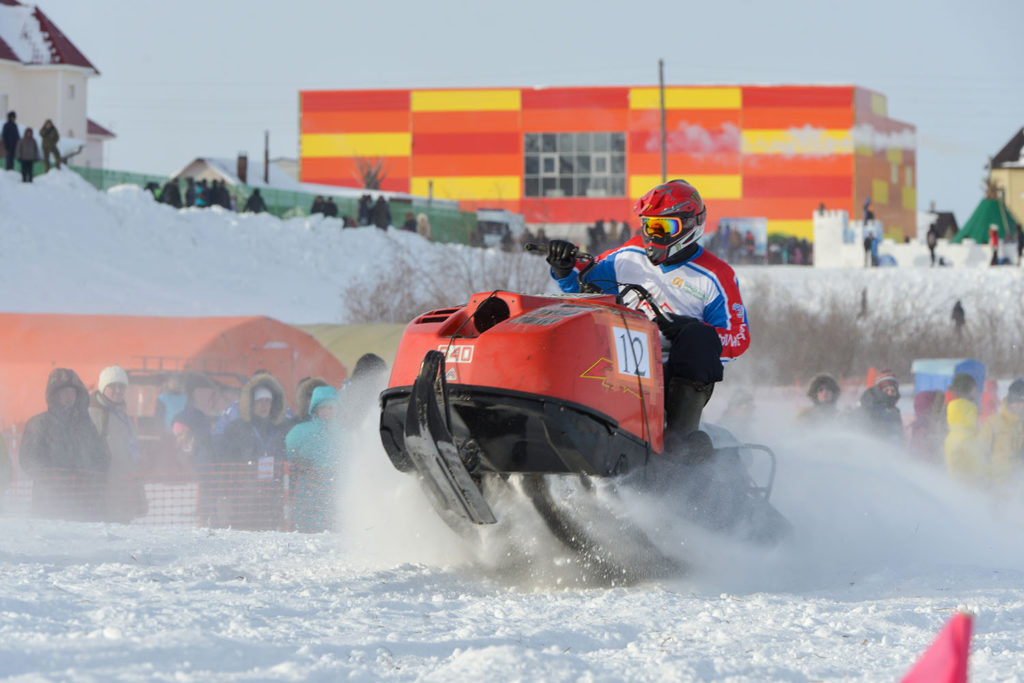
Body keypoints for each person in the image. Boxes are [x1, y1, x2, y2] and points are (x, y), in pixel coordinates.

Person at [545, 178, 749, 446]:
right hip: (618, 360)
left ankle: (678, 444)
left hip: (676, 372)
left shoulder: (716, 275)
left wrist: (689, 329)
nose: (654, 235)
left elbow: (738, 338)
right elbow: (582, 287)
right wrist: (563, 268)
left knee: (698, 338)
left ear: (690, 224)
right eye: (648, 225)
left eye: (663, 226)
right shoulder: (628, 255)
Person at [18, 368, 109, 520]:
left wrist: (93, 478)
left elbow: (101, 457)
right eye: (64, 392)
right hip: (49, 504)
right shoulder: (38, 424)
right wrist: (55, 478)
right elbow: (28, 461)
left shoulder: (86, 426)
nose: (68, 397)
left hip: (84, 504)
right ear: (54, 395)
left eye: (72, 392)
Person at [217, 373, 288, 528]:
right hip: (244, 495)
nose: (264, 405)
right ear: (251, 403)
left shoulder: (281, 428)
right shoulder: (237, 428)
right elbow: (227, 463)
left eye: (267, 401)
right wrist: (225, 495)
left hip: (273, 494)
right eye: (259, 401)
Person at [88, 365, 147, 523]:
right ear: (103, 388)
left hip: (124, 485)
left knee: (123, 533)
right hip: (103, 484)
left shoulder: (125, 417)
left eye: (121, 387)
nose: (117, 391)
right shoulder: (93, 413)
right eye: (112, 386)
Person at [285, 385, 343, 532]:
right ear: (315, 409)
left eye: (332, 407)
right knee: (306, 531)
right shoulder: (301, 432)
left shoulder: (344, 435)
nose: (328, 412)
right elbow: (288, 454)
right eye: (324, 408)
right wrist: (299, 463)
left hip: (335, 491)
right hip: (307, 491)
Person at [944, 372, 987, 484]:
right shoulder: (964, 435)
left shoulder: (960, 428)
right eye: (974, 388)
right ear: (966, 389)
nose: (977, 391)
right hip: (968, 492)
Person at [980, 378, 1024, 483]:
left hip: (1019, 484)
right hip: (997, 483)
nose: (1019, 405)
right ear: (1010, 401)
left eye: (1022, 402)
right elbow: (979, 452)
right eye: (1016, 401)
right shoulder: (993, 423)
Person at [853, 369, 904, 446]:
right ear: (879, 391)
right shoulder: (870, 407)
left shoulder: (894, 412)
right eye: (886, 390)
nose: (890, 393)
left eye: (893, 391)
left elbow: (900, 435)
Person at [907, 390, 947, 463]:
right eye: (939, 406)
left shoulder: (918, 426)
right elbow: (928, 461)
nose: (940, 411)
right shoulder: (925, 431)